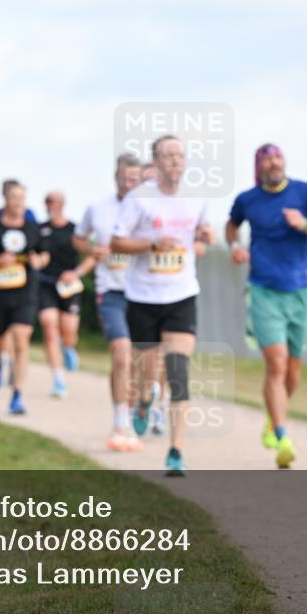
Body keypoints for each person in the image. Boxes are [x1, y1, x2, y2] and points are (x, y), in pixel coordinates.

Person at [111, 135, 215, 475]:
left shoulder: (196, 197)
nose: (175, 161)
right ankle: (142, 402)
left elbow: (202, 230)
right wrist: (151, 243)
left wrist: (206, 234)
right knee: (144, 370)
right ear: (155, 163)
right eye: (168, 155)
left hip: (181, 294)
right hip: (143, 296)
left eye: (180, 155)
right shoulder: (140, 199)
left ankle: (175, 452)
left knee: (178, 371)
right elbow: (116, 242)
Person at [226, 143, 307, 468]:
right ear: (259, 167)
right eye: (267, 159)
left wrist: (304, 225)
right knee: (277, 363)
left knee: (293, 374)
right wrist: (234, 245)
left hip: (301, 290)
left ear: (284, 161)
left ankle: (273, 419)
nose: (274, 163)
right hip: (263, 290)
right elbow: (232, 225)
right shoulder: (248, 199)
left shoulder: (304, 192)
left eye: (277, 157)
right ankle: (283, 436)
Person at [74, 152, 144, 450]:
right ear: (115, 177)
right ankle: (119, 422)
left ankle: (136, 410)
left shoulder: (149, 210)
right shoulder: (98, 208)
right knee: (121, 354)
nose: (128, 183)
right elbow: (78, 238)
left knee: (142, 364)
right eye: (123, 178)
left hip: (144, 293)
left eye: (133, 179)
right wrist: (92, 251)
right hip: (111, 290)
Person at [0, 179, 49, 415]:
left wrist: (40, 260)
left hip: (25, 292)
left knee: (21, 338)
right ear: (5, 199)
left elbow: (44, 253)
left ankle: (17, 394)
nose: (18, 202)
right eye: (14, 197)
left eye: (22, 198)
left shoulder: (32, 228)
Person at [38, 191, 93, 398]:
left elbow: (92, 256)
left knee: (68, 331)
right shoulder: (40, 229)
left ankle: (68, 346)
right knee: (49, 326)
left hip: (69, 287)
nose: (48, 205)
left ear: (62, 204)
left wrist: (76, 273)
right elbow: (34, 253)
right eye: (46, 201)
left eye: (52, 201)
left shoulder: (74, 230)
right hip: (46, 284)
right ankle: (58, 380)